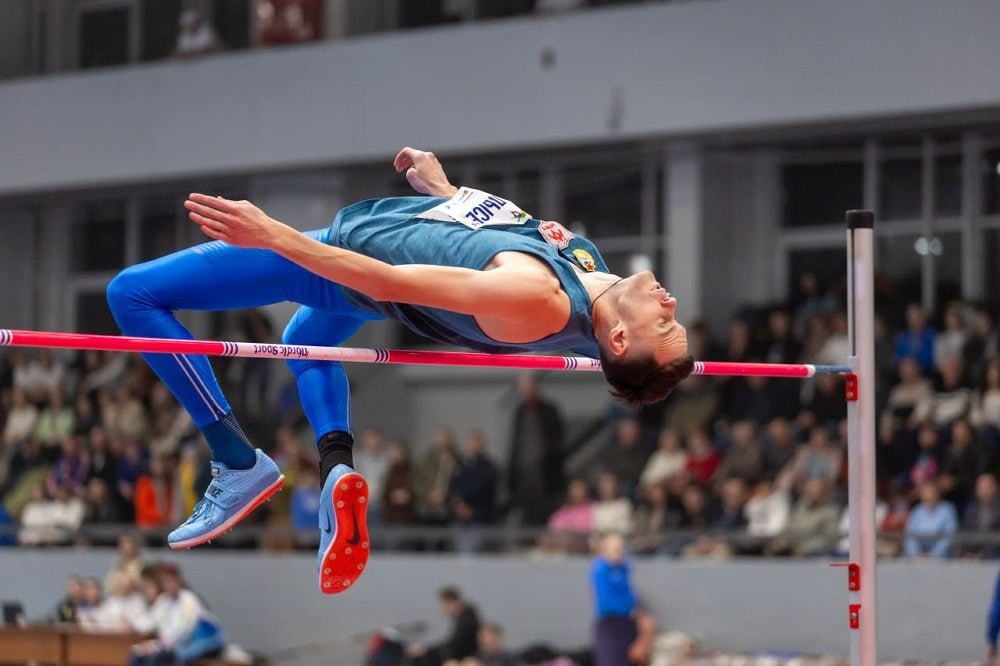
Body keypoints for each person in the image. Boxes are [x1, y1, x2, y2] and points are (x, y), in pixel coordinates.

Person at [106, 147, 692, 593]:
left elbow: (390, 281)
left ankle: (236, 462)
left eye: (665, 325)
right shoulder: (591, 269)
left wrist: (275, 238)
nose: (670, 305)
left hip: (344, 261)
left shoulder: (537, 297)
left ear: (618, 337)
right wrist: (446, 190)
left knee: (132, 295)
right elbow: (498, 235)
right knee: (304, 341)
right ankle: (337, 468)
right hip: (377, 256)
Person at [507, 374, 564, 526]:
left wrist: (549, 457)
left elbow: (557, 438)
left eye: (528, 387)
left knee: (546, 508)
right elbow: (515, 441)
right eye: (522, 389)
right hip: (523, 469)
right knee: (527, 508)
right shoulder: (519, 411)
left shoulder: (549, 410)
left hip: (544, 468)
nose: (525, 391)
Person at [590, 534, 639, 666]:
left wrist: (632, 604)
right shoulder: (600, 569)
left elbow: (630, 594)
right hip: (609, 623)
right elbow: (608, 601)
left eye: (620, 548)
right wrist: (628, 605)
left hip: (626, 623)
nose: (619, 552)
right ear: (604, 550)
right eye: (614, 549)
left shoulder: (624, 568)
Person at [407, 587, 481, 666]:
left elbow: (453, 644)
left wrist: (425, 650)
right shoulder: (465, 617)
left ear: (452, 603)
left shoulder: (466, 622)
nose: (443, 609)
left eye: (444, 605)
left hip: (470, 658)